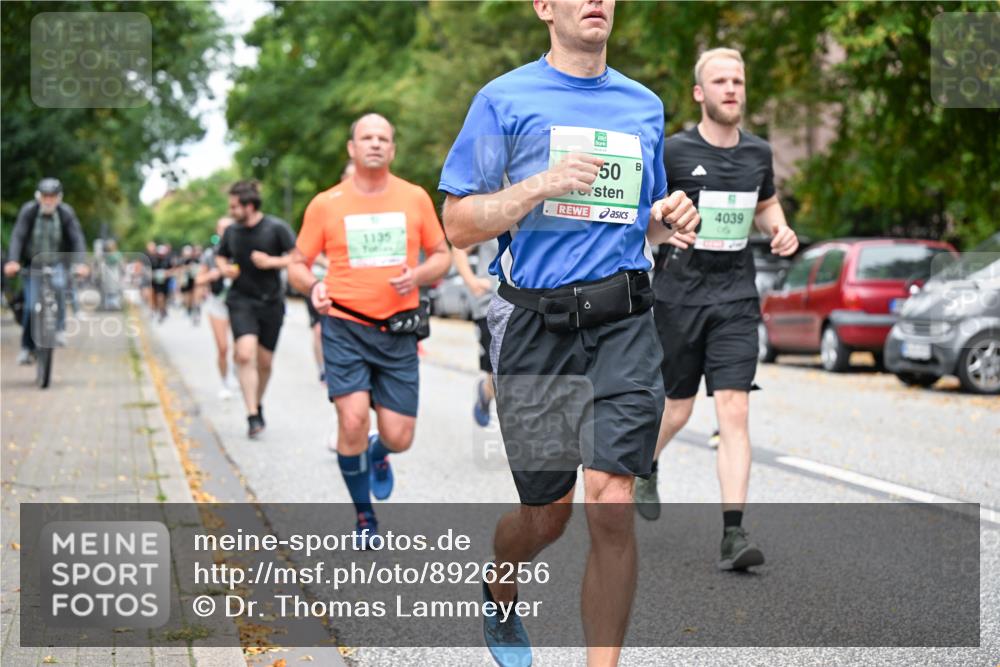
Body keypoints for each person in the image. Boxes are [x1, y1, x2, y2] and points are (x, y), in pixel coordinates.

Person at [439, 2, 698, 665]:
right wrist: (541, 184)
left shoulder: (642, 105)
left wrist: (672, 214)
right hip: (539, 330)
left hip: (626, 326)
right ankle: (501, 580)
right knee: (544, 518)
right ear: (544, 8)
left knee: (610, 500)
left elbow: (645, 218)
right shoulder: (504, 100)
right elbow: (460, 223)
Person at [634, 48, 799, 572]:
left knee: (734, 410)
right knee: (677, 409)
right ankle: (647, 463)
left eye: (739, 81)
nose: (732, 89)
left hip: (735, 297)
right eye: (720, 81)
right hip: (679, 295)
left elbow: (766, 201)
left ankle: (733, 534)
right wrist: (667, 226)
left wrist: (779, 227)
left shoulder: (758, 154)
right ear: (700, 94)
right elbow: (649, 221)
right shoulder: (675, 151)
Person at [288, 114, 450, 543]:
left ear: (393, 149)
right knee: (353, 418)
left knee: (399, 437)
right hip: (344, 326)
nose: (375, 144)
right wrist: (313, 287)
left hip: (398, 330)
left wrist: (417, 276)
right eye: (367, 137)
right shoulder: (327, 203)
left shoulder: (413, 198)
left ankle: (380, 455)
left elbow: (441, 255)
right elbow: (296, 266)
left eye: (384, 138)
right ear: (352, 148)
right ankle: (365, 517)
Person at [215, 180, 297, 438]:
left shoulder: (276, 228)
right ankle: (251, 413)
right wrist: (223, 268)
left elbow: (298, 256)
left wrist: (272, 261)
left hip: (271, 302)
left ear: (249, 206)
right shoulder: (231, 232)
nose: (231, 212)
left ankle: (257, 403)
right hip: (241, 300)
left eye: (234, 207)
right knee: (244, 354)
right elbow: (220, 255)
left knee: (265, 362)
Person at [4, 178, 88, 363]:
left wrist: (80, 263)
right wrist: (13, 261)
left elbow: (77, 239)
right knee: (31, 306)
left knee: (59, 287)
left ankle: (59, 329)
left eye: (52, 197)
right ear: (38, 197)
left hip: (57, 262)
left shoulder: (65, 213)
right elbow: (18, 236)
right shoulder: (29, 211)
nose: (48, 200)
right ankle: (26, 347)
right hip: (32, 265)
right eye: (45, 196)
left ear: (59, 198)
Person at [309, 160, 356, 386]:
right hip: (327, 283)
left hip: (360, 290)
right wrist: (328, 263)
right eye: (349, 175)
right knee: (319, 330)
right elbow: (308, 251)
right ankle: (323, 369)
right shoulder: (328, 206)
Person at [452, 239, 499, 426]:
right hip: (491, 306)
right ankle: (487, 392)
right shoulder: (494, 213)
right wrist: (471, 281)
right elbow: (459, 246)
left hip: (529, 305)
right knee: (500, 375)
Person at [198, 217, 238, 400]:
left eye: (229, 228)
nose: (226, 231)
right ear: (217, 231)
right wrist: (212, 275)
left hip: (239, 302)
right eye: (223, 228)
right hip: (218, 302)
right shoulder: (210, 254)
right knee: (223, 348)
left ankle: (238, 373)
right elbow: (199, 280)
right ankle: (225, 382)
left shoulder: (241, 249)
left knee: (242, 347)